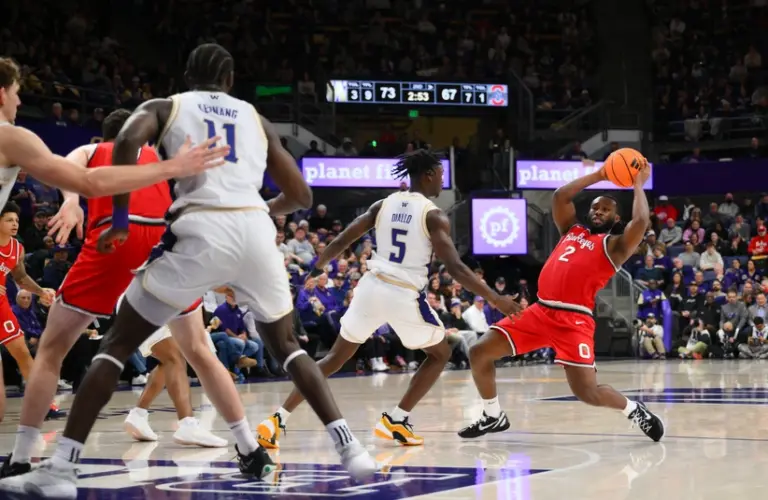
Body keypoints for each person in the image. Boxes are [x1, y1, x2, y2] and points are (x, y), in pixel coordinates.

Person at [0, 43, 375, 499]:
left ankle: (57, 468)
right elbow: (301, 196)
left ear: (186, 76)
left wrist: (117, 216)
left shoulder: (167, 107)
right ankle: (347, 447)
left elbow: (117, 146)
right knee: (281, 348)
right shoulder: (255, 118)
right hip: (253, 232)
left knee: (113, 344)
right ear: (231, 81)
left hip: (187, 235)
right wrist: (260, 209)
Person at [0, 108, 226, 479]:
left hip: (115, 254)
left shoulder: (94, 153)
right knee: (184, 354)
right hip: (154, 259)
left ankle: (27, 452)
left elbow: (69, 164)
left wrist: (70, 201)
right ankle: (235, 438)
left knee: (66, 352)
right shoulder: (155, 157)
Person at [256, 150, 521, 449]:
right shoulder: (433, 214)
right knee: (440, 354)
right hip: (402, 292)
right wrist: (496, 299)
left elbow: (344, 239)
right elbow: (457, 268)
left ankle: (277, 419)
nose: (443, 182)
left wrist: (316, 267)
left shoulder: (384, 204)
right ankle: (396, 419)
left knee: (332, 359)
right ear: (429, 174)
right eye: (441, 175)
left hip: (370, 287)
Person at [458, 161, 665, 442]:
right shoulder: (572, 230)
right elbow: (559, 197)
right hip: (540, 312)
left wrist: (637, 184)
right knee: (479, 352)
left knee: (588, 394)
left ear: (616, 219)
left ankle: (633, 410)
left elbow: (640, 222)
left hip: (574, 321)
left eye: (606, 209)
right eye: (595, 207)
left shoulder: (614, 246)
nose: (599, 211)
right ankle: (493, 415)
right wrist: (600, 174)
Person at [0, 57, 228, 209]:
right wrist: (174, 167)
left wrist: (70, 200)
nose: (19, 101)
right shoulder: (10, 137)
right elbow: (88, 182)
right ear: (2, 95)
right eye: (16, 93)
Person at [119, 293, 227, 447]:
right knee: (174, 358)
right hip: (146, 302)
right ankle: (187, 424)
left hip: (157, 303)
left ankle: (138, 414)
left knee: (170, 360)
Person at [0, 203, 60, 422]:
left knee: (23, 352)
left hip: (1, 306)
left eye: (16, 220)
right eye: (8, 220)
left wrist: (39, 291)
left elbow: (21, 278)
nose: (14, 224)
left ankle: (43, 404)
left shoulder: (17, 248)